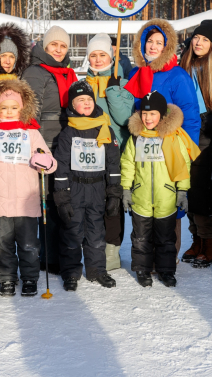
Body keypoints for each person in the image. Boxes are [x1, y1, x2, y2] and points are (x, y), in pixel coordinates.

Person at [0, 79, 57, 297]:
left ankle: (30, 277)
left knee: (29, 244)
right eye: (4, 108)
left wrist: (45, 162)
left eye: (14, 107)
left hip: (26, 201)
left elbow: (50, 160)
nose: (9, 112)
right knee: (2, 244)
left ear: (23, 108)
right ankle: (7, 277)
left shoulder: (31, 133)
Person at [121, 92, 200, 288]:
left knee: (166, 239)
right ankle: (142, 269)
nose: (148, 119)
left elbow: (183, 165)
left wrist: (182, 191)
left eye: (153, 114)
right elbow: (128, 164)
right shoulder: (136, 139)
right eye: (145, 114)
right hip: (141, 198)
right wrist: (125, 189)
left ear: (162, 115)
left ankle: (167, 271)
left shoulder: (174, 138)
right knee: (140, 238)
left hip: (166, 197)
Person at [52, 81, 121, 291]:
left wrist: (114, 191)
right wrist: (62, 196)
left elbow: (113, 162)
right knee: (72, 232)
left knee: (96, 233)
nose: (86, 103)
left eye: (89, 99)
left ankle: (97, 270)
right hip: (75, 189)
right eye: (80, 100)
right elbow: (61, 166)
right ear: (72, 106)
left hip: (97, 189)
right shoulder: (67, 134)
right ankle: (71, 272)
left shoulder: (104, 128)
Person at [23, 25, 79, 275]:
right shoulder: (36, 72)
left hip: (63, 138)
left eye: (63, 46)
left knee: (60, 198)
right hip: (46, 140)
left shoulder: (67, 72)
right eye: (53, 45)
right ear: (45, 47)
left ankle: (57, 253)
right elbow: (29, 110)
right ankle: (48, 256)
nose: (58, 49)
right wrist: (38, 146)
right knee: (47, 199)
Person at [178, 20, 212, 268]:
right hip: (182, 135)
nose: (199, 43)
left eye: (205, 40)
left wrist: (203, 123)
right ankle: (196, 240)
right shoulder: (184, 65)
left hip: (206, 138)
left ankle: (208, 243)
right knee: (185, 190)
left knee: (199, 193)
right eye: (196, 38)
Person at [83, 33, 135, 271]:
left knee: (113, 203)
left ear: (111, 57)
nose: (97, 60)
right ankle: (94, 247)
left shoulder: (123, 85)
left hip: (116, 153)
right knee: (93, 203)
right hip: (89, 154)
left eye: (102, 54)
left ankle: (112, 250)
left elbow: (125, 119)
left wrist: (112, 91)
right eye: (93, 55)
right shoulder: (83, 85)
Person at [125, 19, 201, 141]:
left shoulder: (178, 75)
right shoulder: (135, 73)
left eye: (159, 43)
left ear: (166, 47)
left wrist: (188, 149)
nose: (153, 46)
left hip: (168, 142)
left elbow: (190, 116)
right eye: (149, 41)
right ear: (142, 43)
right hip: (139, 141)